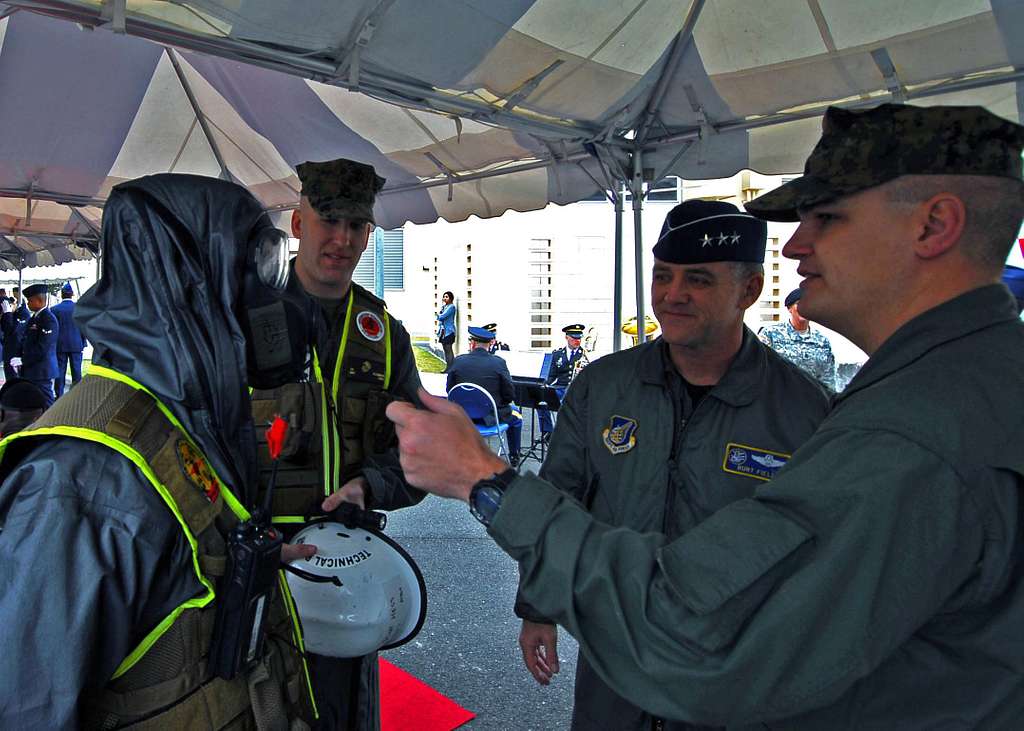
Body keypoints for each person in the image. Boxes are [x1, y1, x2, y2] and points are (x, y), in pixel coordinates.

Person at [386, 103, 1024, 728]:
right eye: (663, 276)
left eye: (827, 217)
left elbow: (702, 640)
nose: (798, 247)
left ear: (934, 224)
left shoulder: (887, 424)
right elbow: (569, 489)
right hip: (625, 677)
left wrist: (483, 478)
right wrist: (539, 603)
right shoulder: (967, 386)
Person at [0, 173, 321, 728]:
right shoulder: (81, 479)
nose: (269, 297)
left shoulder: (178, 420)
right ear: (189, 279)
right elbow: (27, 704)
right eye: (255, 268)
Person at [515, 199, 830, 730]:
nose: (672, 295)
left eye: (700, 280)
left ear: (749, 291)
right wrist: (538, 606)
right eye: (663, 276)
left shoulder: (802, 409)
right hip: (616, 653)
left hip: (731, 671)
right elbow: (559, 496)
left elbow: (821, 550)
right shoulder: (603, 385)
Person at [252, 157, 426, 730]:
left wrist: (369, 483)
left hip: (345, 567)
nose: (342, 238)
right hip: (254, 562)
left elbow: (415, 449)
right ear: (299, 223)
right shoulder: (247, 322)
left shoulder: (383, 335)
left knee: (341, 713)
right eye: (329, 219)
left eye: (358, 226)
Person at [446, 325, 523, 466]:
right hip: (490, 417)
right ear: (489, 344)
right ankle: (514, 455)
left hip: (463, 418)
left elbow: (450, 390)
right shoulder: (498, 363)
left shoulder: (458, 361)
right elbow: (509, 394)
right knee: (517, 416)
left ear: (473, 343)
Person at [757, 287, 836, 389]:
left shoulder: (822, 342)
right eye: (798, 304)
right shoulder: (770, 335)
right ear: (790, 308)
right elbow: (759, 371)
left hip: (811, 400)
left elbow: (828, 382)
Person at [538, 323, 586, 434]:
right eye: (574, 338)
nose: (577, 341)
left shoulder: (585, 355)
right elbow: (551, 375)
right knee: (541, 401)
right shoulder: (558, 354)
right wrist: (544, 385)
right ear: (567, 337)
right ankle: (547, 433)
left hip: (577, 389)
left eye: (579, 338)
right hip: (560, 387)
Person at [18, 283, 59, 406]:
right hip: (33, 369)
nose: (28, 304)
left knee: (46, 401)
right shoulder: (35, 318)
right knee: (34, 401)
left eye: (30, 301)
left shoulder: (48, 319)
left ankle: (52, 424)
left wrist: (23, 360)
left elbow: (43, 347)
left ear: (39, 300)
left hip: (42, 369)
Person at [51, 281, 88, 396]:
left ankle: (59, 394)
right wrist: (83, 342)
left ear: (62, 294)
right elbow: (83, 327)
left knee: (60, 371)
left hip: (60, 345)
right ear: (72, 294)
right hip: (76, 344)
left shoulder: (54, 309)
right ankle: (77, 394)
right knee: (76, 370)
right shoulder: (79, 308)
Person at [1, 287, 28, 381]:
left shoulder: (23, 312)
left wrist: (8, 314)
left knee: (14, 380)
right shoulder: (14, 312)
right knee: (10, 378)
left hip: (16, 351)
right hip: (9, 351)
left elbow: (12, 332)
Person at [436, 290, 457, 367]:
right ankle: (448, 366)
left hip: (449, 332)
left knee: (448, 349)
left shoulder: (451, 307)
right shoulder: (444, 307)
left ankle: (450, 367)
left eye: (446, 297)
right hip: (443, 332)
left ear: (451, 298)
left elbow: (441, 317)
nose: (445, 298)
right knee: (445, 349)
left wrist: (438, 315)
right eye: (444, 296)